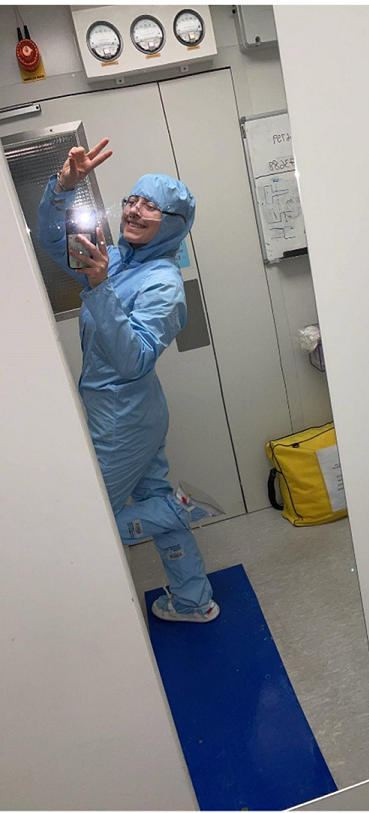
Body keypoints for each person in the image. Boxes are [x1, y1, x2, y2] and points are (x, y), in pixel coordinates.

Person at [37, 137, 219, 623]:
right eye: (132, 199)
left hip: (121, 421)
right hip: (132, 413)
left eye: (151, 207)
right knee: (149, 495)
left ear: (175, 225)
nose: (134, 211)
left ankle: (177, 509)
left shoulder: (162, 282)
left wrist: (98, 289)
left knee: (91, 523)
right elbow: (50, 240)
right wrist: (63, 187)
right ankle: (193, 600)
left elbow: (135, 359)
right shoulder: (113, 259)